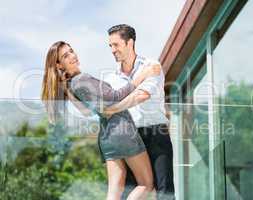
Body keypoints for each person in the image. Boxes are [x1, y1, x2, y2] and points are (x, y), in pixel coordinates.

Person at [41, 41, 160, 200]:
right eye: (65, 55)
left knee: (113, 192)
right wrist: (144, 74)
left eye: (71, 51)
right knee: (145, 184)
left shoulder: (71, 85)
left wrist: (67, 90)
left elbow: (87, 111)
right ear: (59, 65)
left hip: (106, 138)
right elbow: (116, 96)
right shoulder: (82, 79)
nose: (73, 56)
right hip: (122, 131)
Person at [104, 24, 175, 200]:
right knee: (129, 191)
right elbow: (105, 105)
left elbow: (141, 95)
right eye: (110, 46)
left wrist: (115, 107)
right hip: (129, 137)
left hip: (156, 132)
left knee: (164, 190)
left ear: (130, 43)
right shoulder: (110, 78)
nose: (112, 50)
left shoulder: (151, 66)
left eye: (116, 45)